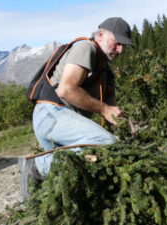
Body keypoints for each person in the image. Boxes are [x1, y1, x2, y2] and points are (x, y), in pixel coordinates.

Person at [18, 17, 133, 200]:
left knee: (71, 172)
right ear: (101, 34)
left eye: (124, 46)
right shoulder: (86, 48)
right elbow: (66, 89)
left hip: (58, 120)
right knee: (106, 144)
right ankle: (37, 165)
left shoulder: (106, 72)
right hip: (52, 113)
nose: (121, 50)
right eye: (117, 43)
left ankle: (39, 195)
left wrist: (126, 132)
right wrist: (103, 109)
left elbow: (111, 111)